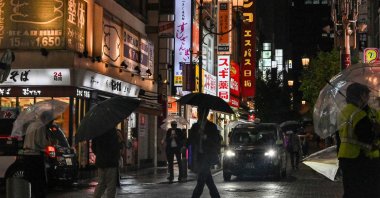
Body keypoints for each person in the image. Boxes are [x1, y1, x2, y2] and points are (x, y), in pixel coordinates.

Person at [338, 83, 380, 198]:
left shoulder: (343, 112)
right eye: (367, 95)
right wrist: (376, 130)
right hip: (358, 159)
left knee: (350, 191)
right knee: (363, 192)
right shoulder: (359, 115)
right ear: (361, 95)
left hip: (344, 157)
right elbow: (367, 138)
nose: (368, 98)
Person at [188, 108, 221, 198]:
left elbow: (216, 141)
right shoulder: (195, 126)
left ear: (205, 114)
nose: (199, 114)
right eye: (198, 112)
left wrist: (205, 137)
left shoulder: (211, 126)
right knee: (208, 180)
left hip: (207, 156)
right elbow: (190, 139)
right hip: (198, 156)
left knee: (201, 180)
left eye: (201, 112)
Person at [23, 111, 55, 198]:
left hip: (27, 155)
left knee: (30, 180)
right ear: (47, 119)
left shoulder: (31, 125)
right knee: (39, 181)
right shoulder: (40, 126)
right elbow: (40, 142)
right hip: (35, 155)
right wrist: (49, 142)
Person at [92, 127, 120, 198]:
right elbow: (116, 147)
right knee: (111, 185)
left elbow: (93, 148)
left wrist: (100, 155)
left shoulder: (97, 131)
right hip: (111, 162)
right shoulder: (112, 131)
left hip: (101, 162)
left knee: (101, 183)